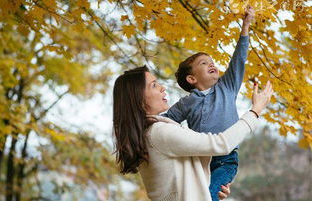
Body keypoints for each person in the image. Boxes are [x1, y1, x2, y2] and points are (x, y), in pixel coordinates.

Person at [112, 66, 273, 201]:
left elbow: (179, 182)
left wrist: (209, 187)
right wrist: (255, 111)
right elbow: (221, 144)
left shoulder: (148, 134)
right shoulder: (159, 132)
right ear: (138, 98)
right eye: (154, 85)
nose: (162, 87)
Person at [163, 6, 255, 201]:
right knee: (195, 195)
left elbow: (239, 60)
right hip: (198, 159)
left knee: (210, 195)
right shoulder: (186, 103)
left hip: (226, 159)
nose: (211, 64)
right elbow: (165, 122)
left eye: (212, 61)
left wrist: (245, 27)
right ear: (191, 79)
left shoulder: (227, 87)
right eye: (204, 63)